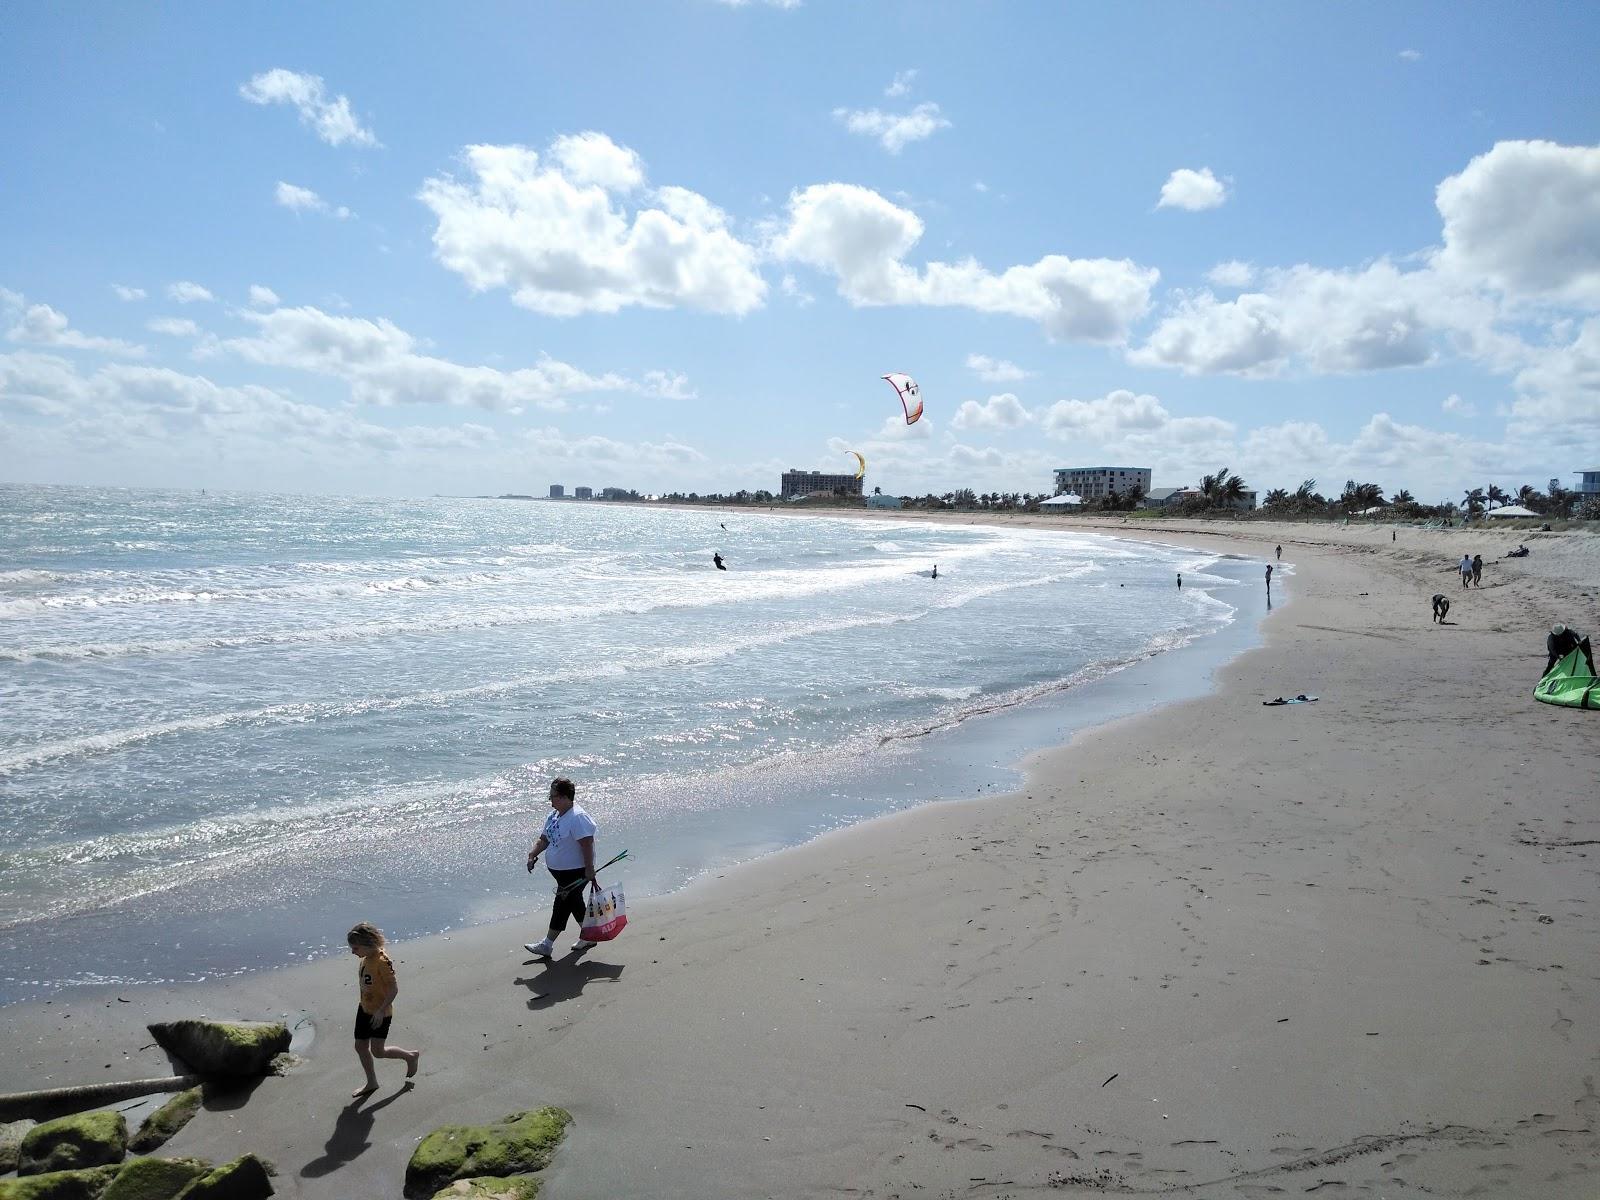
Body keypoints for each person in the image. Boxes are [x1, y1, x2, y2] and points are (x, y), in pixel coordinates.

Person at [524, 777, 599, 958]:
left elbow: (587, 843)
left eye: (553, 796)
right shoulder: (554, 815)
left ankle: (547, 944)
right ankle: (589, 935)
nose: (550, 800)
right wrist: (532, 854)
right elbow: (544, 839)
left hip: (576, 871)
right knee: (572, 902)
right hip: (561, 874)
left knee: (562, 903)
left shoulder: (577, 817)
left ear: (565, 797)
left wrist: (589, 869)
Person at [346, 922, 420, 1098]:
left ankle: (410, 1056)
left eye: (355, 948)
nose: (352, 952)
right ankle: (371, 1082)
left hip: (380, 1013)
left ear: (368, 943)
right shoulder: (365, 959)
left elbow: (394, 989)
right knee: (360, 1046)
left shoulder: (382, 962)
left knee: (378, 1052)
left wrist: (380, 1010)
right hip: (364, 1009)